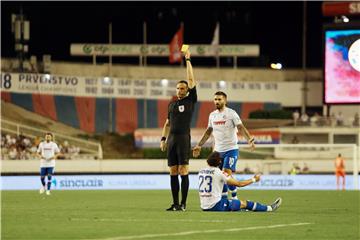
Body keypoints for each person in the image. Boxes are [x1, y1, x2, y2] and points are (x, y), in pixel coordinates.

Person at [193, 91, 255, 200]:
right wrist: (199, 145)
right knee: (221, 177)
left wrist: (249, 139)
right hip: (218, 151)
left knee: (226, 174)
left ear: (225, 100)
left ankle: (234, 198)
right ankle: (225, 199)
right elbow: (208, 132)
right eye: (215, 99)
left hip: (231, 149)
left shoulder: (231, 113)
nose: (217, 101)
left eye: (219, 99)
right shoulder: (212, 115)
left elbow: (241, 127)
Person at [160, 49, 197, 211]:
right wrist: (163, 139)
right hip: (172, 139)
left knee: (183, 170)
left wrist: (187, 60)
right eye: (178, 88)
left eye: (182, 88)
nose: (180, 90)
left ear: (187, 90)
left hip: (183, 138)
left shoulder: (190, 100)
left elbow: (191, 78)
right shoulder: (171, 104)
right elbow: (167, 124)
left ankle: (183, 204)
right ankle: (175, 203)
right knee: (173, 171)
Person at [199, 152, 282, 212]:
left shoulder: (201, 171)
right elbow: (239, 184)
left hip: (204, 206)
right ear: (219, 162)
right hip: (216, 206)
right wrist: (254, 179)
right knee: (245, 203)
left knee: (225, 187)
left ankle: (234, 206)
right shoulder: (220, 173)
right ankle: (270, 208)